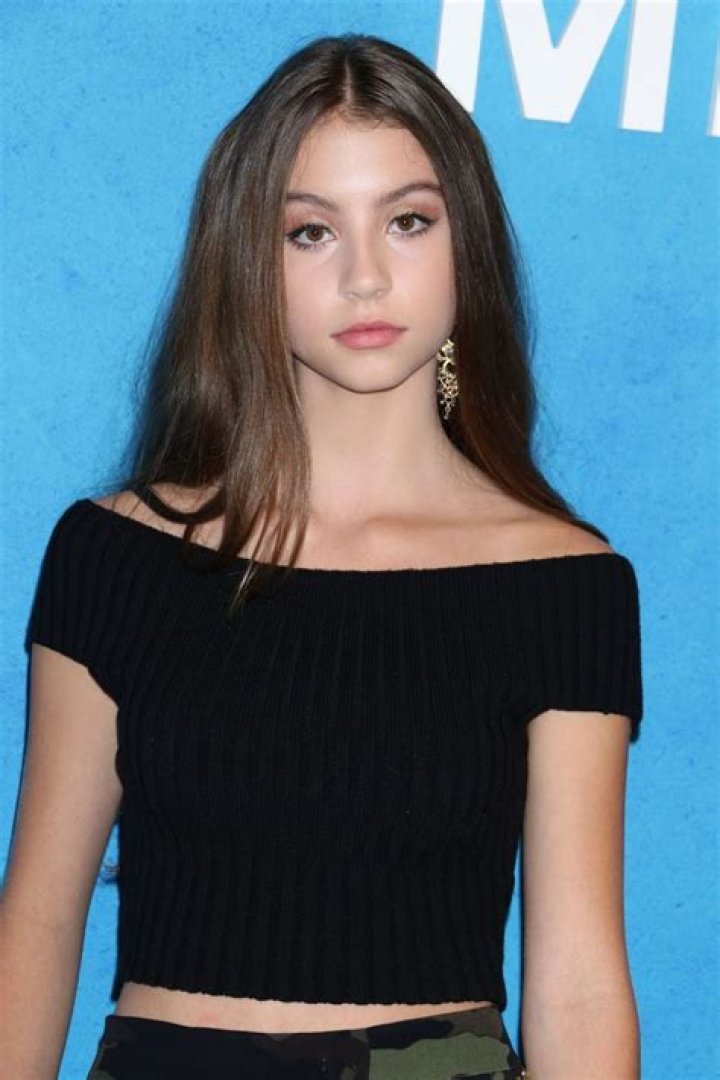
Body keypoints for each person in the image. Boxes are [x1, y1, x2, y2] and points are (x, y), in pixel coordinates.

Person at [1, 31, 644, 1080]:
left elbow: (577, 976)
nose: (365, 276)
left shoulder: (566, 584)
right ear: (248, 262)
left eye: (408, 220)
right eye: (310, 231)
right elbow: (36, 920)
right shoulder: (115, 555)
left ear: (467, 241)